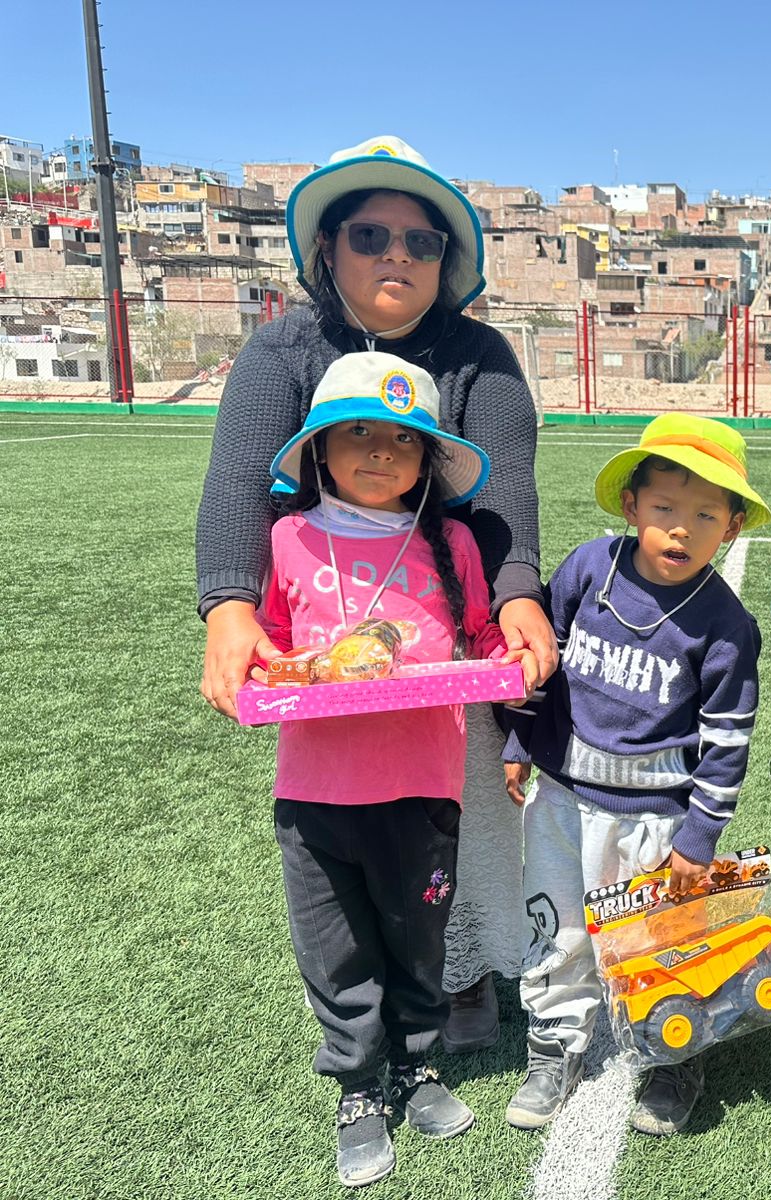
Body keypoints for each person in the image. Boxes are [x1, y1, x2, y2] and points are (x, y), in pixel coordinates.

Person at [195, 135, 556, 1051]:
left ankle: (464, 970)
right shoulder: (282, 349)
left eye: (421, 241)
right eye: (370, 234)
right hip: (326, 592)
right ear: (326, 251)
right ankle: (362, 985)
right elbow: (240, 480)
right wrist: (232, 606)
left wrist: (515, 595)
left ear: (448, 261)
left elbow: (507, 484)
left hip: (443, 597)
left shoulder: (483, 356)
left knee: (461, 792)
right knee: (341, 806)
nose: (397, 254)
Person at [254, 352, 541, 1186]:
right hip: (315, 794)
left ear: (425, 462)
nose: (380, 452)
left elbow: (487, 638)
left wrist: (512, 666)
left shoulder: (450, 540)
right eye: (356, 434)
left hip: (424, 786)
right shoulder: (288, 537)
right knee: (335, 952)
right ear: (318, 450)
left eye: (402, 440)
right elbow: (272, 645)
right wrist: (267, 673)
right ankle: (356, 1086)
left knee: (419, 943)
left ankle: (416, 1067)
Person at [499, 415, 768, 1137]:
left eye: (705, 515)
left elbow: (728, 739)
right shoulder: (590, 567)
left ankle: (672, 1056)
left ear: (732, 527)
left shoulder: (725, 626)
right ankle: (555, 1044)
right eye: (665, 509)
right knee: (558, 932)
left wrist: (700, 835)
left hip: (656, 816)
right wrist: (520, 740)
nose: (681, 530)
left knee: (658, 942)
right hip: (563, 800)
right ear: (631, 505)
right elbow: (541, 664)